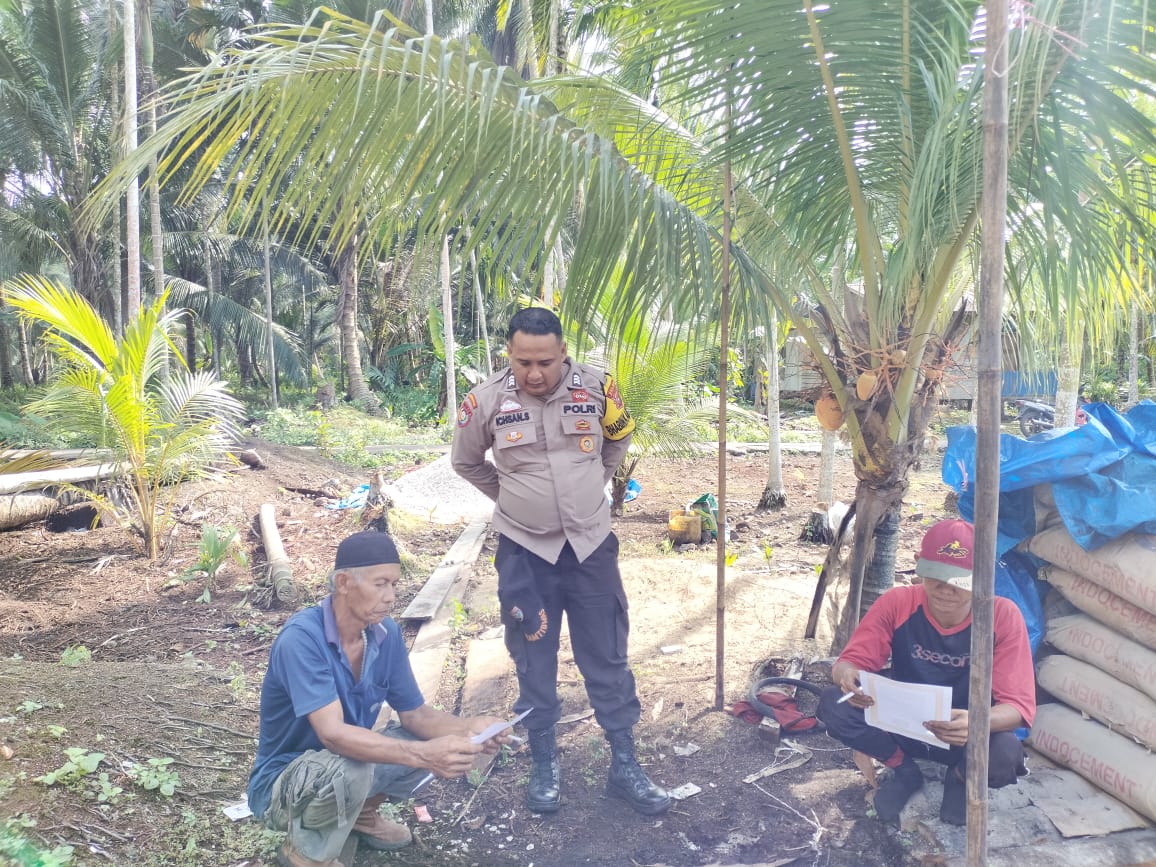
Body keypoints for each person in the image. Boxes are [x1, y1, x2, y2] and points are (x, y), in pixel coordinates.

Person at [451, 306, 670, 816]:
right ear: (509, 353)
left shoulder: (598, 388)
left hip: (590, 547)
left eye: (545, 362)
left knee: (608, 654)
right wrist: (511, 497)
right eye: (524, 361)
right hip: (524, 552)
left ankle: (625, 765)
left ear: (563, 353)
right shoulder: (485, 400)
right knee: (534, 658)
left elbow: (618, 437)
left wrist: (594, 485)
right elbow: (465, 462)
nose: (535, 373)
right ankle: (544, 764)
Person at [247, 530, 510, 867]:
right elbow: (333, 735)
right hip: (283, 784)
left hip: (343, 766)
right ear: (343, 583)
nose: (390, 597)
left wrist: (469, 729)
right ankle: (306, 852)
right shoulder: (302, 640)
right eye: (380, 584)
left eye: (395, 585)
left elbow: (416, 715)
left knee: (422, 738)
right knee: (360, 767)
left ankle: (361, 814)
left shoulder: (385, 634)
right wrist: (424, 755)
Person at [817, 519, 1035, 826]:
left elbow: (1019, 707)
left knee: (1005, 756)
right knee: (833, 705)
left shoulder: (1002, 616)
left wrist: (977, 721)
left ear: (983, 576)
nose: (946, 590)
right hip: (905, 726)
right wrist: (848, 678)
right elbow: (849, 662)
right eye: (936, 577)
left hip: (963, 736)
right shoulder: (898, 602)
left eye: (959, 580)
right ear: (919, 564)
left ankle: (959, 778)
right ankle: (905, 770)